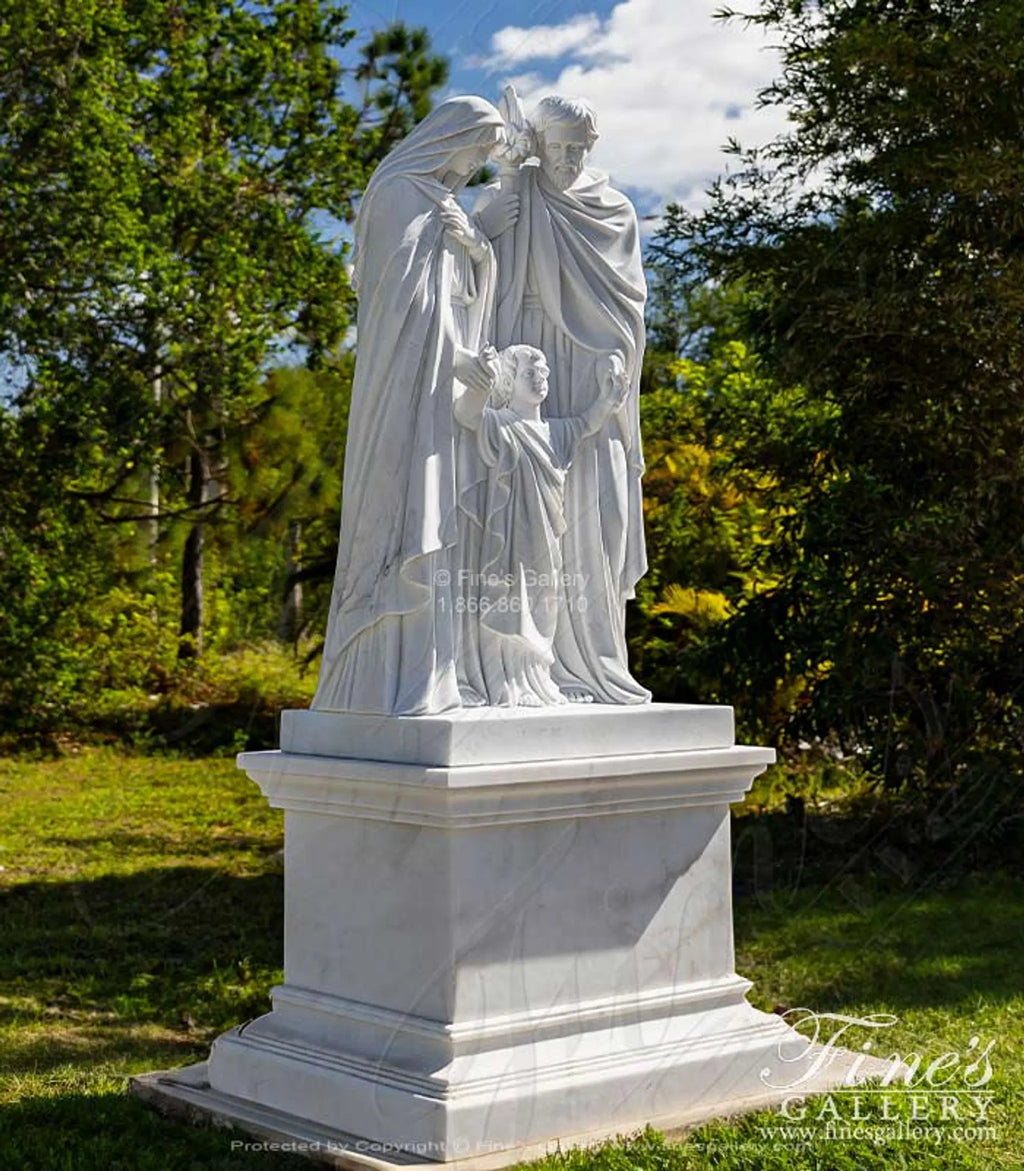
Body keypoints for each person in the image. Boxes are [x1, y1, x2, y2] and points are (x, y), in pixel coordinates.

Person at [312, 97, 505, 715]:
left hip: (440, 395)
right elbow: (403, 308)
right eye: (479, 146)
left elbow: (456, 297)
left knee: (437, 520)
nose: (479, 163)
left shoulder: (445, 206)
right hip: (405, 389)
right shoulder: (399, 194)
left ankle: (431, 677)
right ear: (452, 136)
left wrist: (479, 255)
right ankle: (378, 678)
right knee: (402, 512)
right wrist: (455, 357)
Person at [475, 95, 651, 704]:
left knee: (592, 516)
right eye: (558, 149)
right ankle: (521, 668)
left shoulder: (615, 210)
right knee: (519, 517)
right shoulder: (518, 193)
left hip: (586, 374)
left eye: (579, 149)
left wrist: (616, 358)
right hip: (524, 362)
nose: (569, 160)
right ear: (540, 145)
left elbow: (627, 304)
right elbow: (474, 264)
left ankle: (593, 665)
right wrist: (503, 189)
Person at [454, 344, 630, 707]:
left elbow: (587, 424)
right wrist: (482, 382)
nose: (540, 380)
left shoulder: (555, 431)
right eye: (529, 374)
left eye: (544, 373)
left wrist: (609, 398)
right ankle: (506, 684)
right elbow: (466, 413)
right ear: (510, 381)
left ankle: (538, 681)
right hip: (509, 536)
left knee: (544, 602)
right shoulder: (500, 423)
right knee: (508, 601)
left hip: (547, 536)